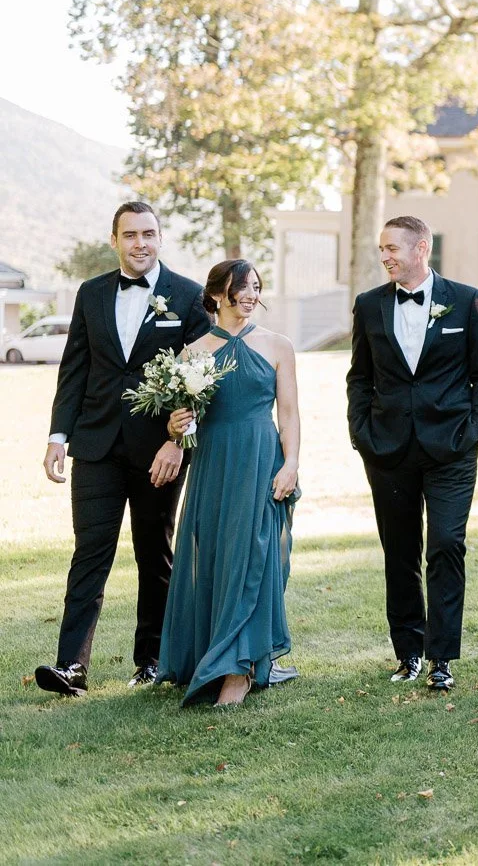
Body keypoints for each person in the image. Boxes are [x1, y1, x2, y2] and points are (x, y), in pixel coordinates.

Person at [36, 201, 209, 697]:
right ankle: (71, 666)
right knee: (89, 552)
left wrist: (176, 442)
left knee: (154, 553)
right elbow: (75, 368)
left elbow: (200, 382)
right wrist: (57, 436)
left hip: (159, 450)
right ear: (115, 240)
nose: (140, 243)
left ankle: (151, 661)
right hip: (94, 444)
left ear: (160, 238)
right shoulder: (90, 294)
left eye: (148, 234)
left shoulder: (189, 296)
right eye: (130, 235)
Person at [346, 216, 478, 691]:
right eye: (382, 249)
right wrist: (360, 433)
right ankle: (408, 653)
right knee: (400, 551)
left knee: (447, 545)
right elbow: (360, 376)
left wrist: (477, 430)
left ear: (422, 249)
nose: (386, 256)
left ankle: (441, 658)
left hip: (452, 447)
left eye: (393, 247)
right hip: (388, 450)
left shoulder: (465, 300)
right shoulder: (369, 306)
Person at [158, 260, 301, 706]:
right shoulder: (191, 354)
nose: (249, 294)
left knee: (255, 553)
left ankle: (238, 671)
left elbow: (290, 413)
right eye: (241, 286)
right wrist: (175, 426)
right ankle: (211, 656)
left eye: (256, 286)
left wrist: (291, 462)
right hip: (213, 464)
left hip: (261, 458)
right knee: (215, 555)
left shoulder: (278, 346)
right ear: (218, 293)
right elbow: (180, 425)